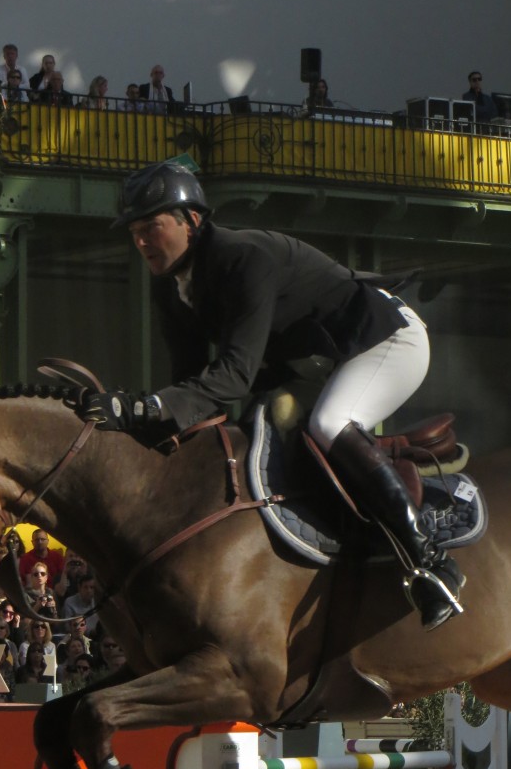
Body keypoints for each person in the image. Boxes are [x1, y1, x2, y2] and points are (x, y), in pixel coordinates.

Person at [72, 161, 465, 631]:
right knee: (260, 428)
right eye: (134, 231)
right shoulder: (170, 290)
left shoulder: (243, 258)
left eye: (152, 226)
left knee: (329, 424)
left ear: (192, 220)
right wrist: (140, 419)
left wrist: (148, 406)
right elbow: (193, 385)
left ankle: (430, 563)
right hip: (316, 364)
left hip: (383, 339)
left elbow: (233, 376)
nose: (141, 241)